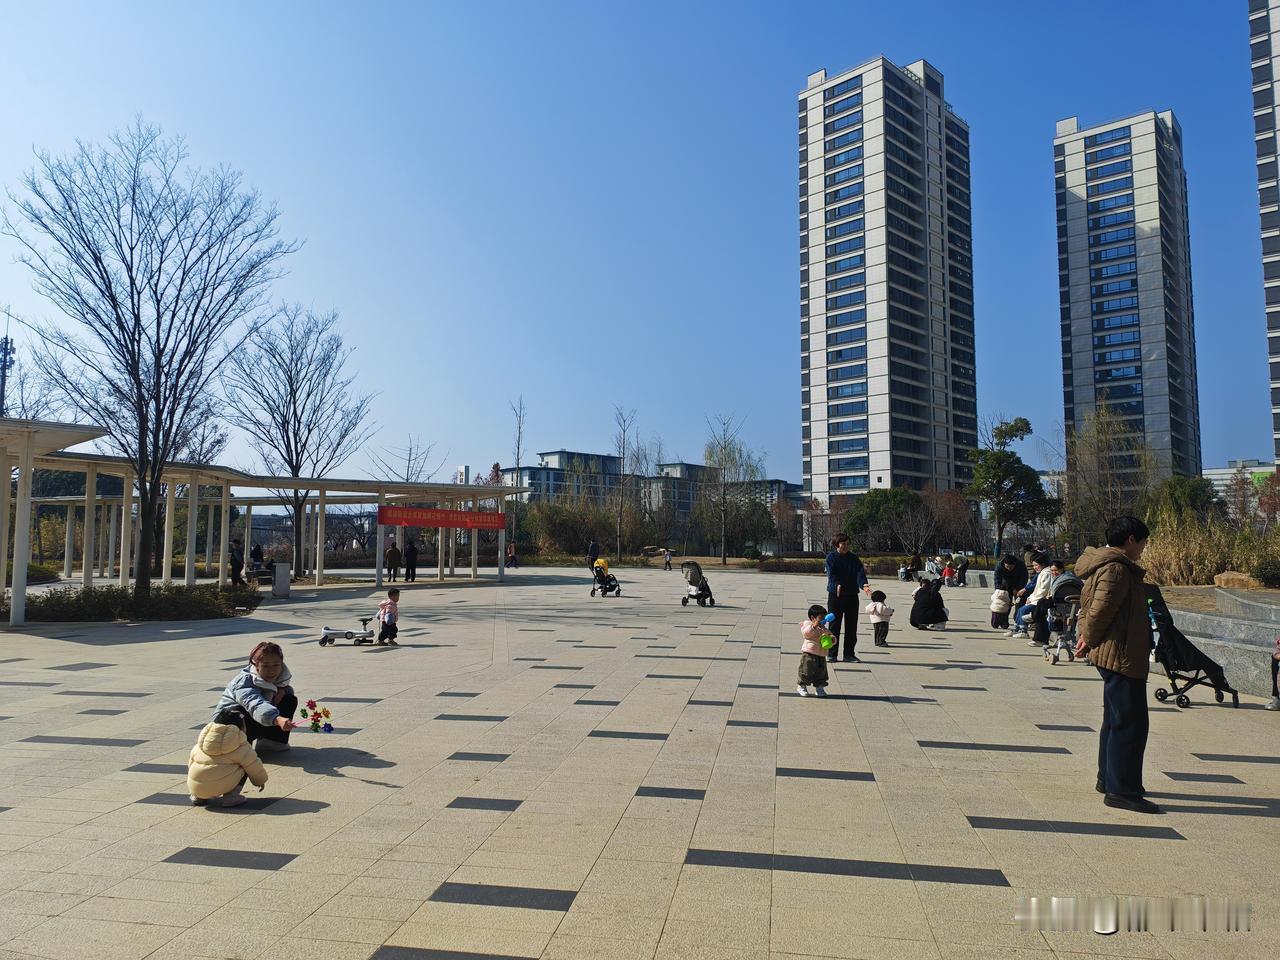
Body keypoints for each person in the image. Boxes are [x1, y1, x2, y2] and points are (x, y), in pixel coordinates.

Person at [1074, 516, 1160, 814]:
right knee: (1130, 724)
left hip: (1116, 652)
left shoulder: (1107, 564)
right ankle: (1122, 790)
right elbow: (1098, 609)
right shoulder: (1117, 569)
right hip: (1121, 655)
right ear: (1131, 540)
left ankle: (1109, 780)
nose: (1144, 548)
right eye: (1144, 542)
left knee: (1116, 720)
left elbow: (1089, 606)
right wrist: (1087, 637)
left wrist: (1087, 636)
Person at [213, 642, 297, 754]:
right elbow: (255, 704)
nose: (271, 670)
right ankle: (237, 748)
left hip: (256, 719)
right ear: (256, 665)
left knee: (288, 699)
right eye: (265, 666)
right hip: (225, 728)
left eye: (276, 665)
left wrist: (283, 690)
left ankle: (271, 741)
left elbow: (281, 693)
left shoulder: (280, 680)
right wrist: (277, 719)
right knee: (238, 712)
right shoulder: (244, 682)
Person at [188, 707, 269, 808]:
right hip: (223, 785)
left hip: (197, 788)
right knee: (246, 766)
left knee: (198, 766)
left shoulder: (200, 744)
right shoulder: (241, 745)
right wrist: (260, 781)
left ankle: (198, 797)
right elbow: (254, 766)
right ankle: (231, 797)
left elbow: (190, 764)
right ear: (241, 727)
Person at [824, 534, 871, 663]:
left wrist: (864, 585)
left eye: (847, 544)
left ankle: (849, 654)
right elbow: (831, 574)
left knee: (851, 626)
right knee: (834, 625)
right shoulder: (831, 557)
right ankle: (832, 654)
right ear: (836, 544)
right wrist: (837, 584)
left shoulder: (853, 558)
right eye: (843, 544)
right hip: (836, 596)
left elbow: (860, 573)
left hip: (851, 595)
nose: (845, 546)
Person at [1015, 552, 1053, 645]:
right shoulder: (1042, 573)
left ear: (1042, 564)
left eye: (1036, 565)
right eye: (1033, 565)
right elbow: (1037, 590)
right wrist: (1030, 598)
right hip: (1037, 599)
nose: (1034, 567)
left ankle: (1023, 630)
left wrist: (1031, 599)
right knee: (1020, 608)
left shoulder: (1046, 574)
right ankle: (1018, 629)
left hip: (1041, 601)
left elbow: (1043, 591)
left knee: (1023, 610)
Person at [797, 603, 834, 698]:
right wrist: (813, 626)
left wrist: (833, 639)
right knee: (806, 670)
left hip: (821, 654)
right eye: (821, 618)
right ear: (813, 618)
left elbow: (830, 635)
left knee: (821, 672)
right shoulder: (808, 625)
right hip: (809, 653)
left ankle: (819, 687)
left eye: (825, 618)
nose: (824, 621)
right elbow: (806, 634)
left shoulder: (823, 628)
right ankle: (802, 686)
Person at [995, 554, 1027, 632]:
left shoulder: (1021, 565)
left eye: (1011, 567)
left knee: (1019, 604)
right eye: (1007, 567)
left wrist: (1018, 589)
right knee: (1005, 604)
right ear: (1004, 564)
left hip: (1018, 585)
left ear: (1015, 564)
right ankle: (1004, 622)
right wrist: (999, 590)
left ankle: (1017, 621)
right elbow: (997, 579)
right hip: (1005, 586)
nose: (1009, 568)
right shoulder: (999, 566)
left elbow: (1024, 578)